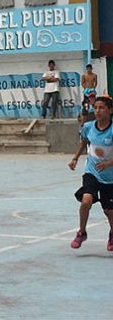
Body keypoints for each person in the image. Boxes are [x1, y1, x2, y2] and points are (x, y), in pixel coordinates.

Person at [68, 96, 113, 251]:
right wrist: (75, 158)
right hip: (92, 172)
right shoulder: (88, 127)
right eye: (96, 108)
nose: (98, 111)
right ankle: (82, 232)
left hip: (110, 177)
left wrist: (108, 163)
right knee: (86, 200)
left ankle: (112, 234)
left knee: (109, 211)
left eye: (101, 108)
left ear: (110, 110)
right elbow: (84, 142)